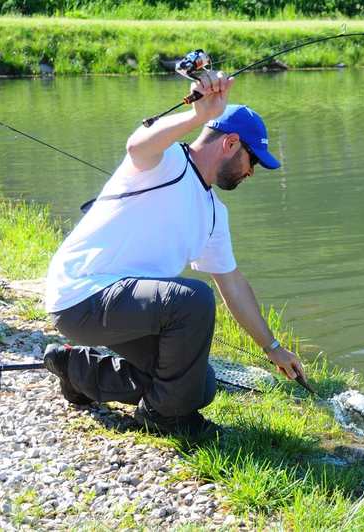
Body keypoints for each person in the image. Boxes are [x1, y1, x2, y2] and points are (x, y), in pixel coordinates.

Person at [43, 70, 306, 437]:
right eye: (254, 160)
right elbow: (136, 146)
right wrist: (198, 115)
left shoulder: (215, 211)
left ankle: (79, 371)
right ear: (230, 144)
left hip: (123, 312)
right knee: (194, 300)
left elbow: (231, 282)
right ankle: (165, 417)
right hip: (80, 297)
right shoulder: (166, 161)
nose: (252, 171)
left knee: (201, 385)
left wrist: (273, 347)